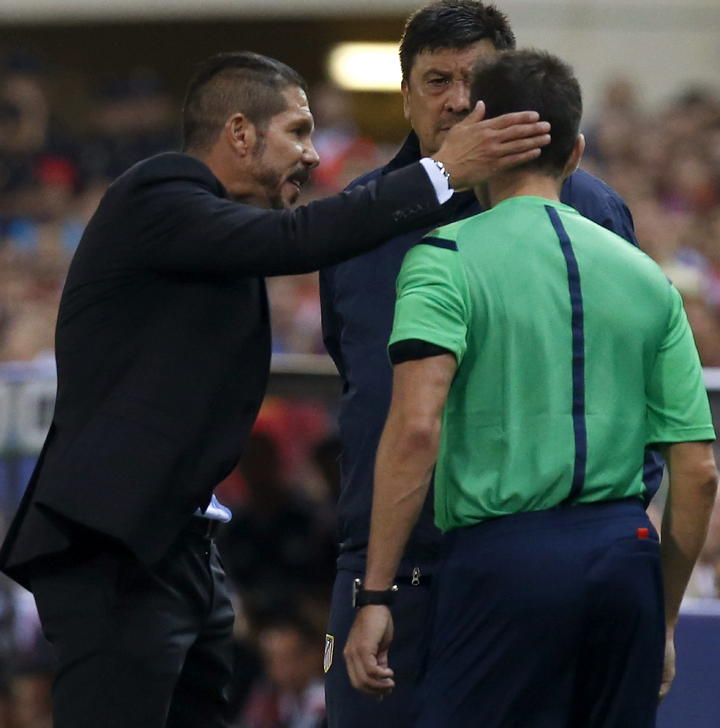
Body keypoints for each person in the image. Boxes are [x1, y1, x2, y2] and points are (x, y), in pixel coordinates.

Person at [0, 51, 551, 728]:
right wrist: (439, 172)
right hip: (114, 546)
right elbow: (298, 238)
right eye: (298, 131)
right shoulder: (157, 194)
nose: (313, 155)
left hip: (178, 548)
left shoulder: (218, 233)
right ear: (239, 133)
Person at [343, 49, 718, 727]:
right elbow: (698, 472)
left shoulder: (444, 258)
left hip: (502, 564)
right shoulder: (648, 279)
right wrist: (661, 619)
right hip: (626, 557)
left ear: (479, 139)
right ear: (575, 153)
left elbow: (417, 428)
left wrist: (374, 595)